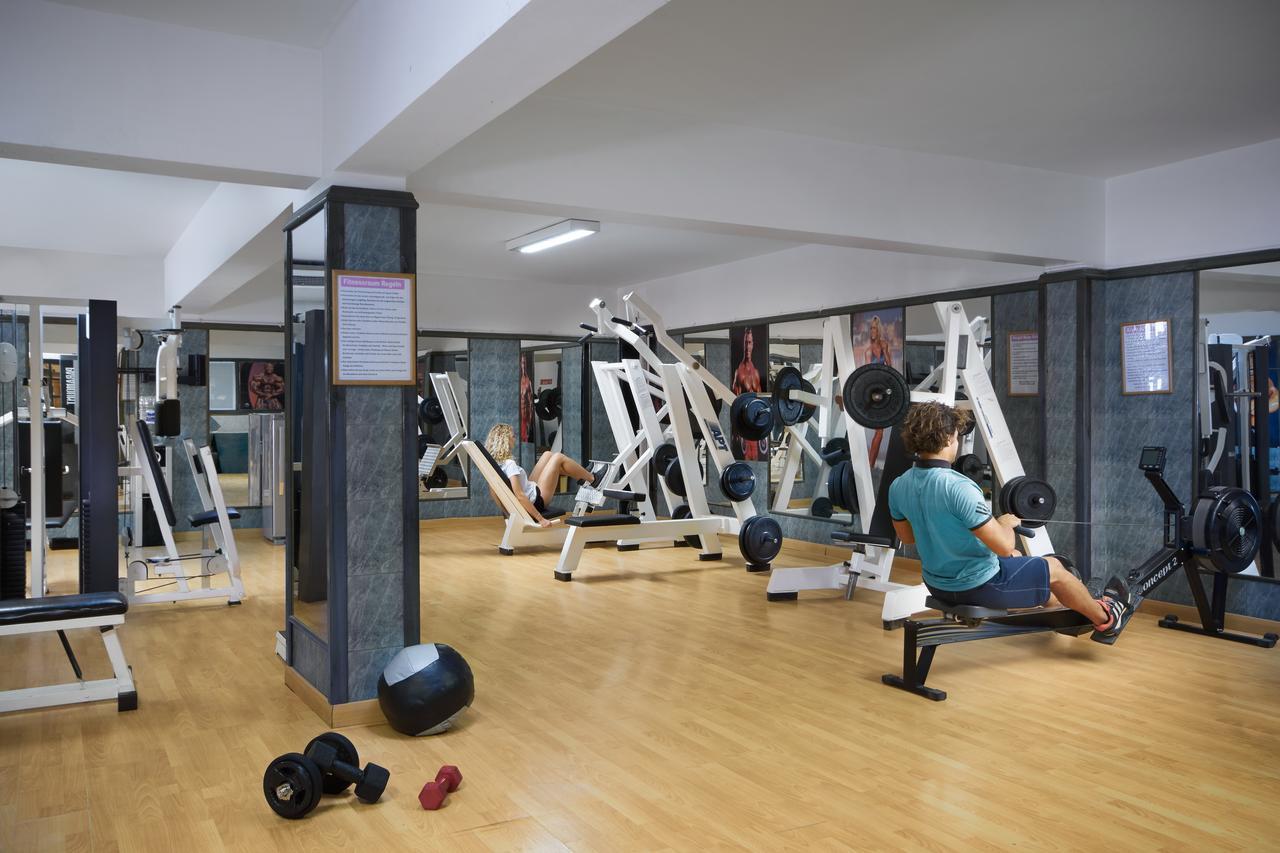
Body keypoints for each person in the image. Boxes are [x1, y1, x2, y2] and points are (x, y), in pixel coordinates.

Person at [887, 401, 1131, 637]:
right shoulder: (959, 487)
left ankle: (1064, 615)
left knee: (1018, 559)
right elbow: (1003, 546)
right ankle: (1107, 617)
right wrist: (1004, 524)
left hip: (937, 586)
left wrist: (951, 527)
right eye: (956, 437)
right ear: (949, 437)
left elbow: (907, 538)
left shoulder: (898, 485)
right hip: (977, 587)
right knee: (1054, 568)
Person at [483, 423, 598, 528]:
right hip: (537, 501)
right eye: (513, 436)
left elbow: (494, 493)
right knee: (558, 457)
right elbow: (520, 495)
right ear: (505, 440)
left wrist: (506, 514)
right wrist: (540, 519)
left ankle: (582, 476)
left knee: (547, 455)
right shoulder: (509, 464)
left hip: (530, 491)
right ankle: (593, 479)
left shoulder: (495, 464)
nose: (515, 439)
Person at [731, 327, 767, 460]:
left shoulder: (756, 373)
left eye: (749, 342)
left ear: (753, 344)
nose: (747, 346)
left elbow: (762, 402)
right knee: (747, 457)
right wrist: (735, 430)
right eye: (745, 342)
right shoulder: (739, 373)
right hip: (744, 424)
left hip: (755, 424)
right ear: (743, 344)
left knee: (756, 456)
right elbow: (733, 403)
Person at [862, 315, 892, 466]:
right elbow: (869, 375)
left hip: (884, 388)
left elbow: (890, 366)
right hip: (873, 391)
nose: (872, 331)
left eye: (874, 328)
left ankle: (870, 464)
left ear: (878, 329)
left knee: (880, 431)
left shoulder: (884, 345)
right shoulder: (868, 351)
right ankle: (870, 464)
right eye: (871, 328)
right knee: (879, 431)